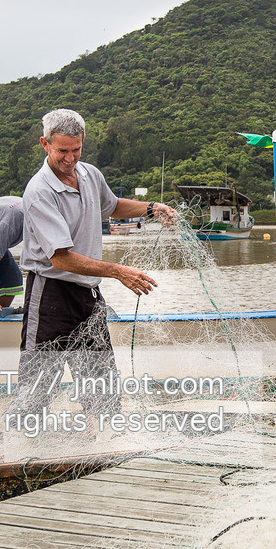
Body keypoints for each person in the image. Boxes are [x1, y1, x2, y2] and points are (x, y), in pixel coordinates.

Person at [15, 108, 178, 412]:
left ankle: (96, 434)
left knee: (102, 389)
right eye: (62, 151)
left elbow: (112, 206)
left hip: (88, 296)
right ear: (45, 144)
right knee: (36, 389)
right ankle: (19, 438)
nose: (70, 158)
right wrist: (118, 271)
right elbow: (61, 259)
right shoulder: (39, 191)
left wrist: (152, 208)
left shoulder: (90, 174)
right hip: (50, 294)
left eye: (76, 149)